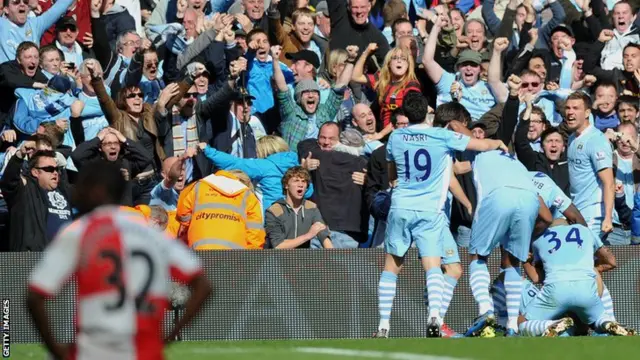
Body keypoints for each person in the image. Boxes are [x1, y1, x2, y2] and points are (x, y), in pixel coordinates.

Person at [26, 161, 212, 360]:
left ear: (95, 190)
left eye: (81, 186)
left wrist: (55, 349)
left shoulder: (80, 231)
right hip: (146, 352)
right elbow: (203, 285)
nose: (75, 193)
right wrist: (171, 335)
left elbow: (34, 296)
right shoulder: (151, 233)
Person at [374, 93, 509, 338]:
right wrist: (497, 143)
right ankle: (435, 318)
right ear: (427, 111)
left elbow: (392, 172)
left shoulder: (395, 137)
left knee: (392, 266)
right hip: (430, 211)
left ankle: (383, 325)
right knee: (433, 265)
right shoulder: (441, 136)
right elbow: (478, 146)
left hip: (401, 206)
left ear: (405, 114)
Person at [446, 121, 553, 337]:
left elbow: (457, 126)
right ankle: (512, 325)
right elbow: (547, 217)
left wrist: (446, 127)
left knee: (478, 256)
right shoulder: (516, 163)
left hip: (499, 196)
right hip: (529, 199)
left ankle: (486, 311)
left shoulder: (482, 151)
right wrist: (528, 237)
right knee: (512, 261)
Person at [518, 219, 635, 337]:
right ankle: (607, 323)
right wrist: (592, 269)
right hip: (587, 290)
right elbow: (611, 262)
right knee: (598, 318)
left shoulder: (539, 238)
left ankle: (550, 325)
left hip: (556, 290)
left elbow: (535, 278)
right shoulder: (586, 231)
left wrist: (525, 261)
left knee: (522, 322)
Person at [565, 92, 615, 240]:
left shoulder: (596, 140)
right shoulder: (572, 138)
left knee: (586, 259)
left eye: (576, 108)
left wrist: (607, 217)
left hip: (593, 214)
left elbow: (609, 182)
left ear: (587, 113)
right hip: (577, 211)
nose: (570, 112)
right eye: (568, 108)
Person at [265, 166, 333, 249]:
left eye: (304, 181)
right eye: (296, 181)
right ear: (286, 185)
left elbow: (323, 234)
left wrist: (333, 256)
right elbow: (278, 246)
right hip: (278, 260)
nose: (300, 185)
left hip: (302, 260)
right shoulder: (274, 210)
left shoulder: (311, 207)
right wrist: (308, 235)